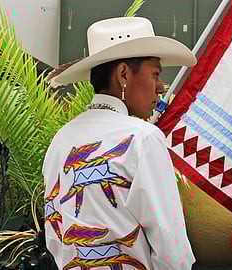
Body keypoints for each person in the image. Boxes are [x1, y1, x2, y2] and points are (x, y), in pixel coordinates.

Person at [43, 17, 197, 270]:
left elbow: (55, 232)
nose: (160, 87)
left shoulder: (62, 139)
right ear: (124, 74)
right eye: (155, 74)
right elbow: (172, 248)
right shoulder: (142, 137)